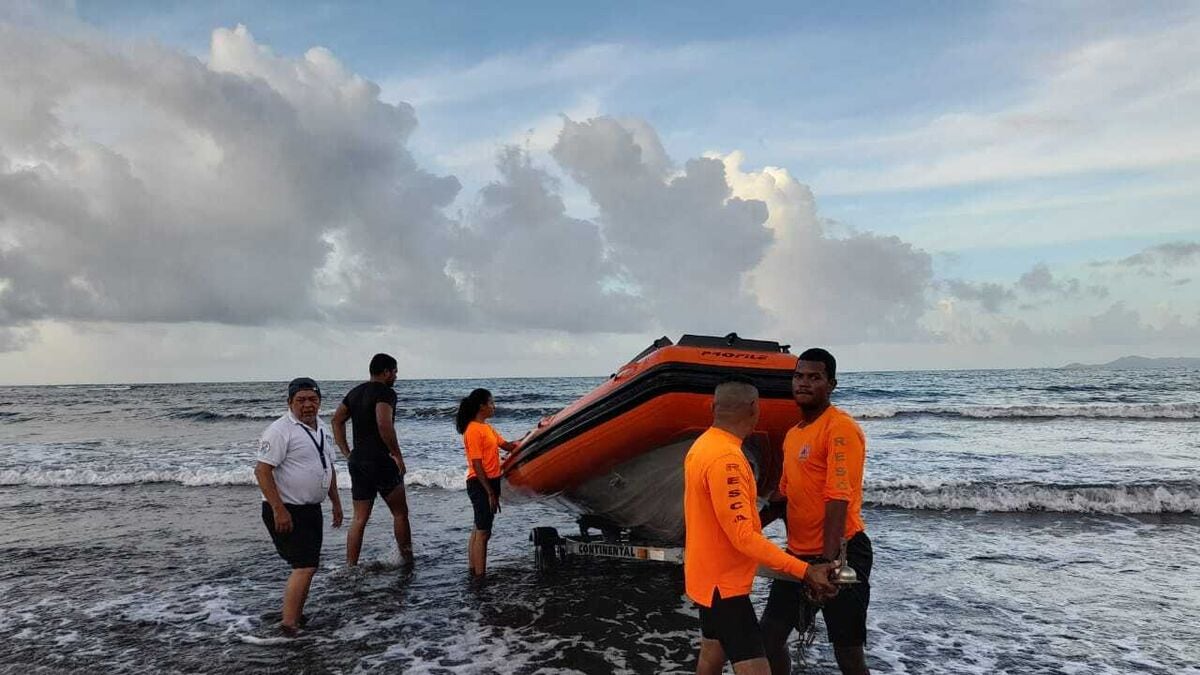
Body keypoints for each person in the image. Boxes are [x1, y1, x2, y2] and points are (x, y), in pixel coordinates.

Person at [684, 379, 837, 675]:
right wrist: (805, 570)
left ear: (713, 407)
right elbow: (743, 537)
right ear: (755, 409)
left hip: (704, 577)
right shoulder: (727, 459)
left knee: (711, 655)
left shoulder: (702, 445)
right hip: (724, 587)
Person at [759, 348, 872, 675]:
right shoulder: (793, 435)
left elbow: (839, 497)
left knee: (848, 653)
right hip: (798, 557)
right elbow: (783, 497)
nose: (804, 383)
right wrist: (743, 533)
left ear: (831, 384)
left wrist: (826, 561)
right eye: (799, 376)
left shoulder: (839, 428)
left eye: (814, 377)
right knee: (769, 640)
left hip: (841, 554)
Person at [254, 377, 343, 635]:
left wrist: (335, 502)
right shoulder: (280, 430)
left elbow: (329, 467)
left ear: (320, 401)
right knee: (303, 566)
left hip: (311, 509)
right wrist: (278, 509)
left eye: (312, 399)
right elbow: (262, 471)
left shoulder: (322, 428)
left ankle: (296, 615)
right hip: (287, 509)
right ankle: (289, 624)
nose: (307, 405)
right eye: (301, 400)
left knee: (309, 565)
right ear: (289, 402)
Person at [331, 353, 414, 567]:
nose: (396, 376)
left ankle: (351, 566)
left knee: (359, 518)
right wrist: (396, 454)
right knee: (400, 513)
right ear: (386, 372)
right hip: (380, 459)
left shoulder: (355, 392)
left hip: (358, 460)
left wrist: (347, 452)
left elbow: (336, 420)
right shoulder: (386, 392)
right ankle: (407, 559)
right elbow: (383, 423)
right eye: (394, 372)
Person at [454, 388, 518, 577]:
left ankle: (474, 571)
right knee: (483, 532)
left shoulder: (488, 428)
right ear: (481, 406)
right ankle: (480, 578)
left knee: (479, 528)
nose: (494, 406)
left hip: (490, 482)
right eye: (491, 403)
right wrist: (490, 492)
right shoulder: (473, 430)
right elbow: (476, 463)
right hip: (480, 483)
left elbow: (506, 445)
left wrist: (529, 438)